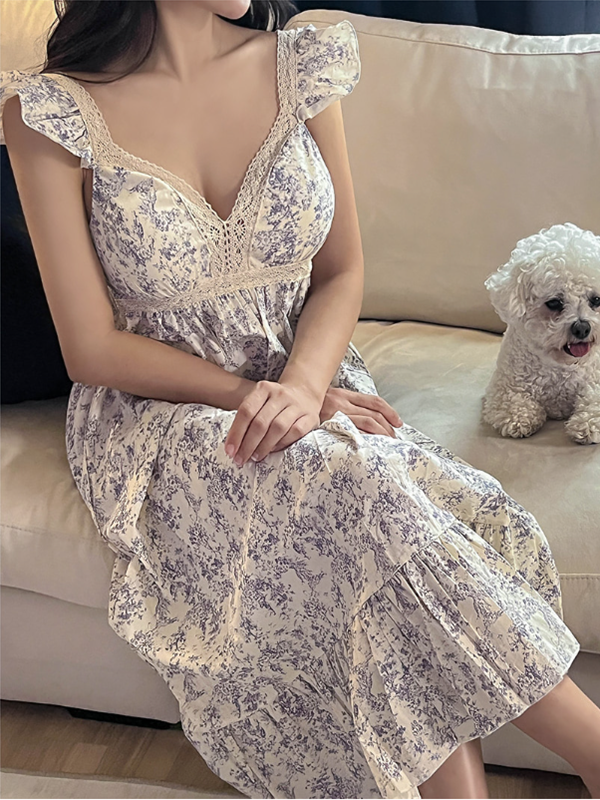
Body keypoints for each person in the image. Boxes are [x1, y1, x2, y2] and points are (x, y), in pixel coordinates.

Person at [2, 1, 599, 797]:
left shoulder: (301, 65)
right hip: (158, 415)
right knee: (362, 484)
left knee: (363, 499)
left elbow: (342, 270)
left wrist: (307, 388)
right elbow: (93, 348)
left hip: (310, 375)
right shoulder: (49, 114)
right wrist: (268, 399)